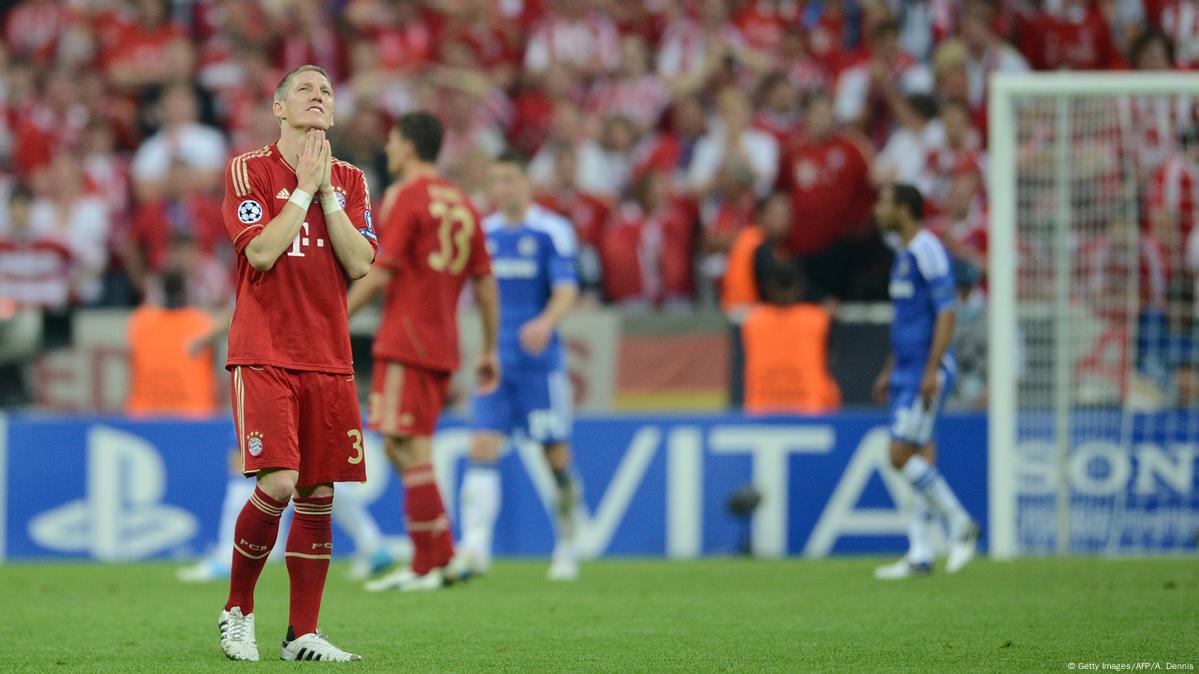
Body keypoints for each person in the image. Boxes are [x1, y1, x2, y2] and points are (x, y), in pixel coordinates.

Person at [216, 64, 377, 663]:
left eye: (327, 91)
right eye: (305, 90)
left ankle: (302, 633)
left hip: (329, 356)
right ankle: (238, 611)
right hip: (264, 349)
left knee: (317, 492)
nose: (318, 96)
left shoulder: (354, 180)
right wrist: (304, 189)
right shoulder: (248, 169)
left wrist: (327, 191)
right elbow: (260, 251)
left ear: (333, 115)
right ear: (279, 108)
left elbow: (360, 263)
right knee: (279, 482)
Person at [344, 111, 499, 592]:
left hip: (405, 340)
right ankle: (438, 558)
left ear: (408, 147)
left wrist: (334, 318)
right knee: (404, 444)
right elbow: (484, 281)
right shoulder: (462, 203)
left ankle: (432, 562)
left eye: (392, 141)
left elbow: (383, 270)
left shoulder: (405, 197)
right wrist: (488, 346)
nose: (389, 150)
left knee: (405, 444)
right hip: (443, 343)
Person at [459, 151, 582, 581]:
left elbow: (567, 289)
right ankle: (475, 547)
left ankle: (567, 545)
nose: (500, 189)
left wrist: (546, 323)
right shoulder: (483, 232)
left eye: (508, 179)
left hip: (539, 364)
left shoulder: (552, 230)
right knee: (481, 446)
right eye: (494, 181)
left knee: (555, 456)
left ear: (526, 183)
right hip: (495, 359)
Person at [871, 183, 979, 580]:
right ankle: (920, 553)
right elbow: (907, 320)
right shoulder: (902, 255)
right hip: (904, 368)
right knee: (920, 458)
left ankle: (962, 524)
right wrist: (888, 367)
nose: (877, 208)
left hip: (923, 371)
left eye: (883, 201)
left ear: (902, 209)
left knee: (899, 456)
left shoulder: (927, 249)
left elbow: (946, 311)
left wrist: (932, 368)